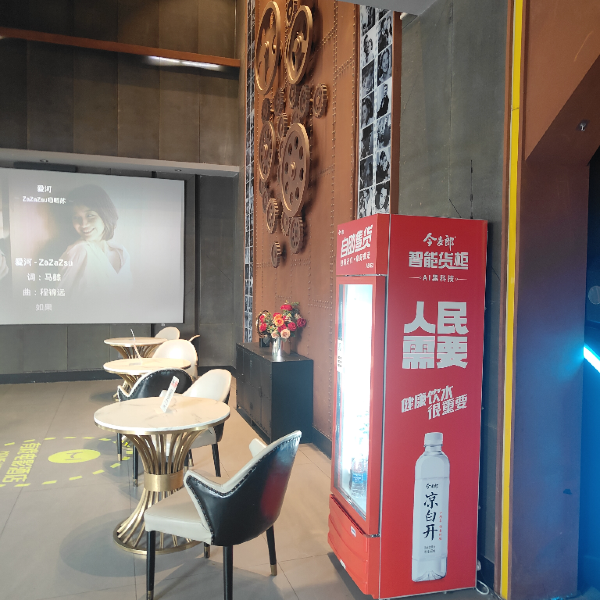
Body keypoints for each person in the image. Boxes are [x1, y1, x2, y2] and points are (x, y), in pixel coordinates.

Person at [60, 185, 131, 299]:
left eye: (90, 215)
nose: (84, 224)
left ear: (105, 214)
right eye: (76, 217)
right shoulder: (79, 250)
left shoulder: (121, 252)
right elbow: (61, 299)